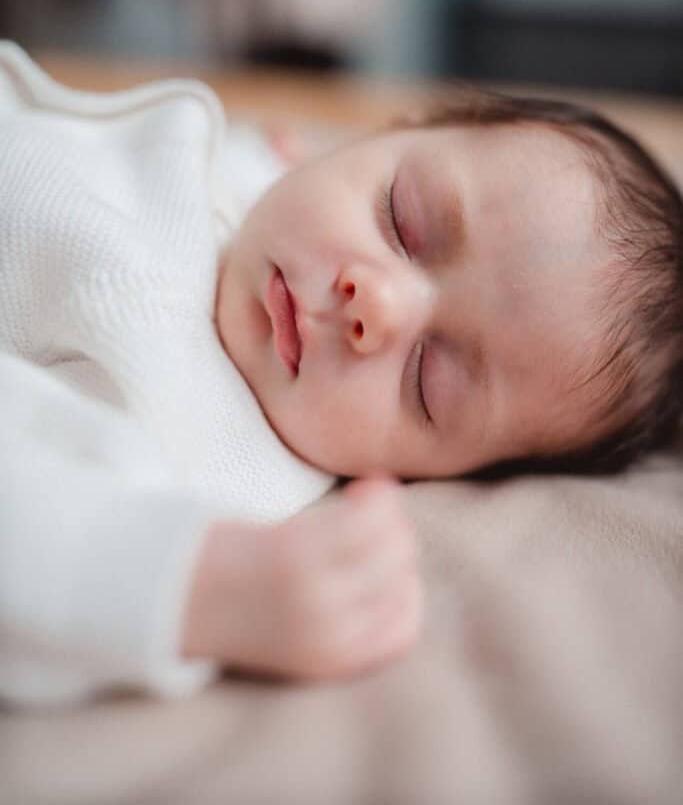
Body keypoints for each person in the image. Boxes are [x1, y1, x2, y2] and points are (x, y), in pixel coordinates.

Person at [1, 43, 681, 706]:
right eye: (402, 221)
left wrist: (199, 589)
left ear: (428, 477)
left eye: (427, 381)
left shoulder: (217, 459)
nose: (376, 305)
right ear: (379, 139)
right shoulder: (257, 169)